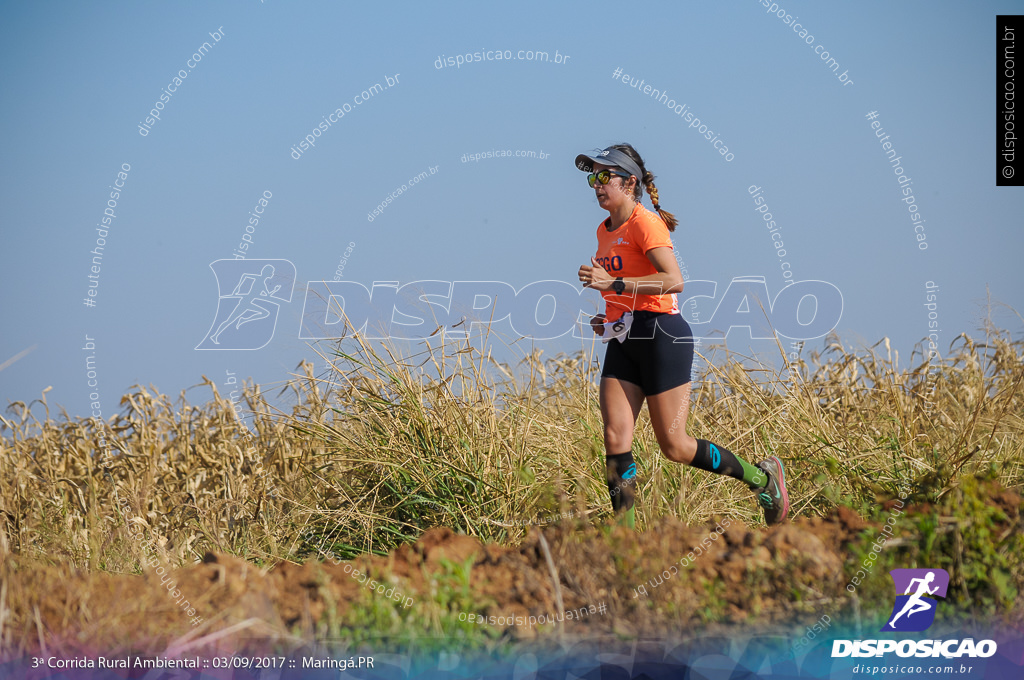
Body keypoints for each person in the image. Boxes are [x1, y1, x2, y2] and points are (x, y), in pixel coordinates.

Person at [574, 144, 789, 529]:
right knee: (614, 436)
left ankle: (762, 480)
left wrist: (614, 282)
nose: (597, 185)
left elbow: (673, 281)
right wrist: (606, 315)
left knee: (675, 446)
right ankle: (626, 540)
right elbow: (622, 291)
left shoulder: (645, 223)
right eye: (593, 177)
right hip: (624, 338)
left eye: (605, 176)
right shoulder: (602, 231)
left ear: (630, 183)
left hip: (661, 336)